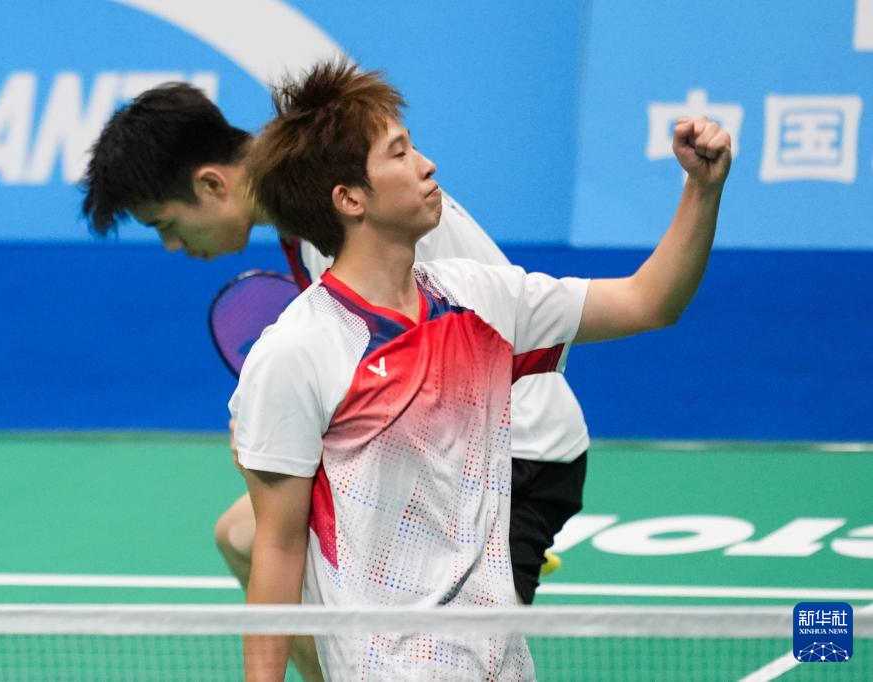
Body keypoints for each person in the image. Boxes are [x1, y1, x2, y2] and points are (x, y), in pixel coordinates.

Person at [233, 60, 730, 681]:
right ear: (350, 199)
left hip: (501, 662)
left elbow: (648, 301)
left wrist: (702, 189)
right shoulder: (299, 350)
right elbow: (278, 549)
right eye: (399, 153)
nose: (426, 164)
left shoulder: (479, 299)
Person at [81, 81, 587, 611]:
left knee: (407, 625)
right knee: (243, 536)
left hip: (512, 450)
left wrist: (279, 440)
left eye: (166, 224)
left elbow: (407, 391)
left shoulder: (341, 222)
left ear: (211, 184)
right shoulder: (310, 204)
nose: (171, 245)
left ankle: (486, 554)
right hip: (449, 432)